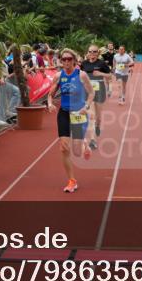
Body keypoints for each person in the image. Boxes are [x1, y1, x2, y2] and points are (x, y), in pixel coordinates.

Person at [47, 49, 94, 193]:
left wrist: (86, 106)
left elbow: (91, 92)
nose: (66, 62)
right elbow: (51, 94)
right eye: (63, 59)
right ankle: (72, 181)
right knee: (63, 148)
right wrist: (49, 103)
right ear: (60, 61)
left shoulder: (82, 75)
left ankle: (85, 145)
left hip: (78, 113)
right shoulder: (58, 76)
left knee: (77, 151)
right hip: (64, 113)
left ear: (74, 60)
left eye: (69, 59)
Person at [80, 45, 113, 150]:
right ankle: (92, 140)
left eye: (94, 52)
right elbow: (80, 75)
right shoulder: (84, 64)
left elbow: (110, 76)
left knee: (98, 118)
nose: (92, 53)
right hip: (88, 92)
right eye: (90, 51)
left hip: (99, 91)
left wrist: (100, 73)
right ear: (88, 52)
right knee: (92, 116)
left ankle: (98, 126)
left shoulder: (101, 63)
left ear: (98, 53)